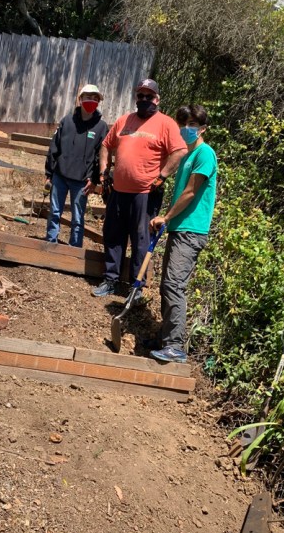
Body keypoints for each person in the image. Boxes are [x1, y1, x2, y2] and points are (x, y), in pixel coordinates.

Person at [92, 79, 186, 297]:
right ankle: (111, 279)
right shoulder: (124, 120)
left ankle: (136, 286)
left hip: (146, 193)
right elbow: (106, 145)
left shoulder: (166, 124)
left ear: (157, 99)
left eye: (148, 96)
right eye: (140, 96)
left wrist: (162, 176)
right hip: (118, 191)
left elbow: (179, 151)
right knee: (113, 235)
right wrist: (104, 172)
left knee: (141, 239)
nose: (144, 99)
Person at [148, 104, 217, 364]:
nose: (186, 128)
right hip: (179, 227)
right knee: (167, 284)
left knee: (174, 285)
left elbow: (190, 193)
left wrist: (166, 217)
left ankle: (174, 346)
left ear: (202, 128)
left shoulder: (204, 154)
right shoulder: (188, 155)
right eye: (183, 124)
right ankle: (165, 338)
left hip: (191, 229)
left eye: (192, 125)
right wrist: (168, 221)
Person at [44, 84, 108, 248]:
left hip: (82, 182)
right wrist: (49, 173)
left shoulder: (101, 127)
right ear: (80, 99)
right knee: (55, 212)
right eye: (88, 97)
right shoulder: (67, 121)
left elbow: (101, 156)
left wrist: (94, 180)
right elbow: (54, 147)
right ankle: (50, 243)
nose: (91, 101)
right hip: (60, 176)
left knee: (78, 218)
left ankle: (75, 249)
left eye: (95, 99)